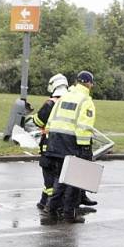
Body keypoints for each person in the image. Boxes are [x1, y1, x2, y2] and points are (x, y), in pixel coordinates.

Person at [43, 70, 97, 224]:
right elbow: (84, 127)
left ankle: (51, 208)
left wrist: (49, 140)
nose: (92, 85)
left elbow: (52, 119)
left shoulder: (65, 96)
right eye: (91, 83)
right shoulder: (86, 100)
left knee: (61, 178)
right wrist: (85, 149)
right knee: (74, 181)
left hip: (55, 142)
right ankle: (69, 214)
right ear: (87, 83)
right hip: (73, 143)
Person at [34, 74, 69, 213]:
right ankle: (44, 201)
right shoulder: (71, 102)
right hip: (65, 146)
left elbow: (38, 121)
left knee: (49, 176)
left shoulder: (51, 103)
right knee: (58, 175)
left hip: (49, 146)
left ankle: (50, 204)